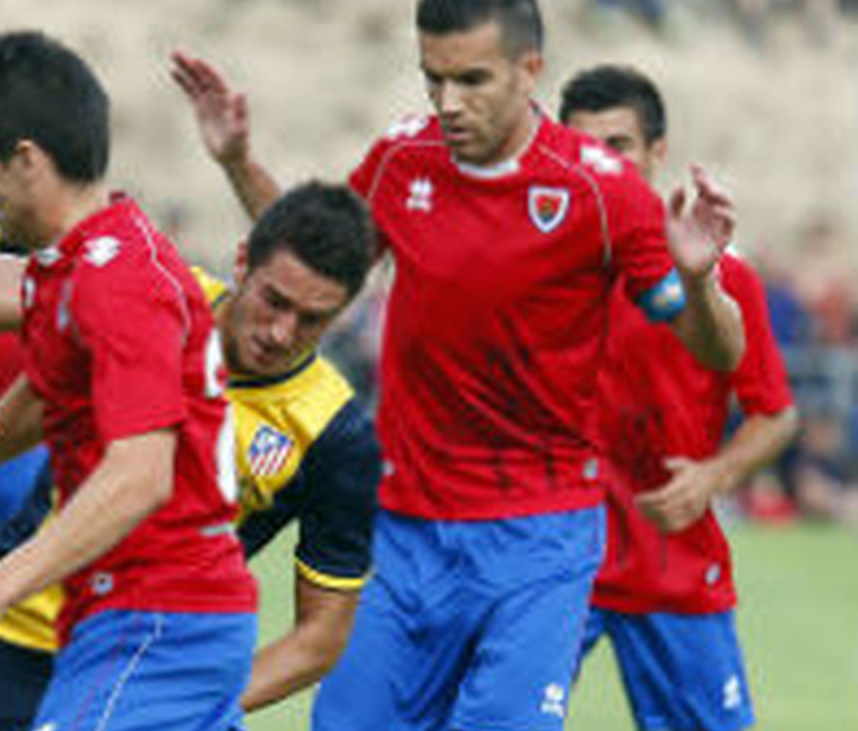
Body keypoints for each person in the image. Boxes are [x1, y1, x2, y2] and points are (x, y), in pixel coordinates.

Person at [171, 1, 747, 729]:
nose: (448, 103)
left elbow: (719, 350)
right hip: (404, 530)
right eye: (433, 79)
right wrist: (236, 161)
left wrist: (700, 280)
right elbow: (314, 262)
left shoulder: (602, 191)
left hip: (539, 537)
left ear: (528, 69)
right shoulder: (402, 158)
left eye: (471, 79)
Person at [0, 181, 381, 730]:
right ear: (241, 262)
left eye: (312, 319)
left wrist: (199, 700)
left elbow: (320, 637)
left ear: (344, 312)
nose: (282, 333)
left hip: (148, 661)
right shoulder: (151, 295)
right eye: (274, 301)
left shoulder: (336, 437)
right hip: (11, 632)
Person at [0, 31, 258, 731]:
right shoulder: (69, 264)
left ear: (27, 159)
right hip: (120, 612)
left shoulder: (117, 282)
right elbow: (47, 393)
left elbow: (140, 474)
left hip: (160, 618)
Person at [560, 64, 799, 731]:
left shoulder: (723, 283)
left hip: (670, 554)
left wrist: (714, 474)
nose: (600, 164)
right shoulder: (537, 275)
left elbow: (775, 413)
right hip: (553, 561)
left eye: (618, 146)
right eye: (583, 148)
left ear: (657, 153)